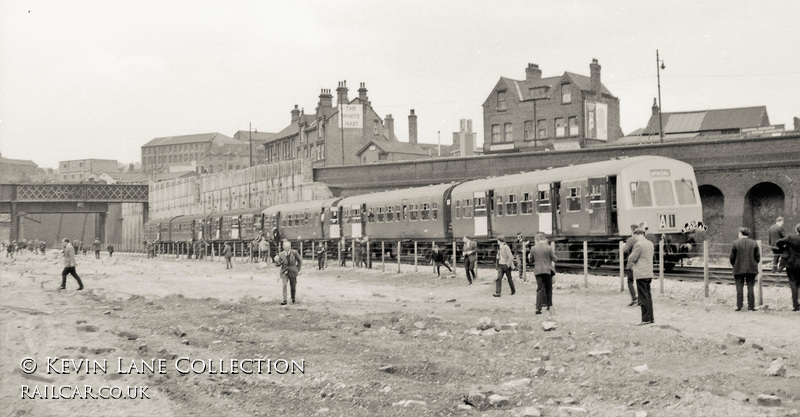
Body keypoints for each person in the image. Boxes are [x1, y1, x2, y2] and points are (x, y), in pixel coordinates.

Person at [730, 227, 760, 311]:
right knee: (750, 288)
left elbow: (732, 257)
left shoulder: (735, 243)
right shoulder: (754, 243)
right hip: (751, 269)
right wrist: (753, 263)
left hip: (738, 268)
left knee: (739, 288)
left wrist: (735, 264)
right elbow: (757, 257)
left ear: (740, 233)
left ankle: (739, 306)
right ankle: (751, 306)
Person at [628, 228, 654, 325]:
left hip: (641, 274)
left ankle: (645, 319)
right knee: (648, 296)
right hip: (648, 273)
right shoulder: (650, 243)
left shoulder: (638, 245)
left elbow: (632, 258)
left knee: (643, 297)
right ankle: (651, 318)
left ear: (636, 235)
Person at [529, 233, 558, 314]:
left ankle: (538, 309)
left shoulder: (533, 248)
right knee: (549, 289)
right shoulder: (549, 248)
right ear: (544, 240)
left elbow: (531, 260)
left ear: (538, 240)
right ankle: (549, 306)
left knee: (539, 289)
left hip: (538, 272)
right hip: (548, 271)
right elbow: (555, 259)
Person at [776, 223, 800, 311]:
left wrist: (783, 249)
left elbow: (778, 242)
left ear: (796, 230)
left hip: (792, 264)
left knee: (793, 284)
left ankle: (795, 305)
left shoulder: (791, 238)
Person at [275, 241, 302, 305]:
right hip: (284, 272)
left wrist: (297, 269)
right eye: (285, 247)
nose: (287, 248)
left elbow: (300, 260)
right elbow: (278, 264)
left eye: (288, 247)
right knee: (284, 285)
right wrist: (276, 261)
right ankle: (284, 300)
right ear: (283, 247)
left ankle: (293, 298)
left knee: (293, 285)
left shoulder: (294, 252)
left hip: (293, 271)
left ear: (290, 247)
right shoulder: (281, 254)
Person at [622, 224, 640, 306]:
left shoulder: (631, 239)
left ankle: (634, 299)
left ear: (632, 230)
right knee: (640, 282)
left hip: (632, 264)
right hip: (641, 264)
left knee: (630, 281)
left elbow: (624, 250)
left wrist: (623, 246)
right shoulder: (643, 239)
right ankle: (641, 300)